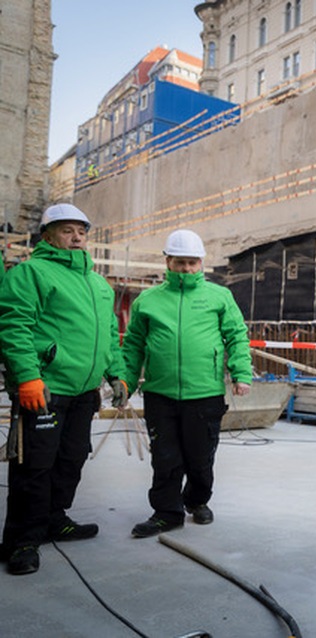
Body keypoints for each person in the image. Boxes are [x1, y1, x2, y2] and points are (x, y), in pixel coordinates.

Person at [0, 203, 128, 575]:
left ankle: (55, 518)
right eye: (67, 230)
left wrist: (116, 375)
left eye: (81, 231)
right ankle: (22, 540)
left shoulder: (98, 284)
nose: (76, 237)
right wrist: (26, 377)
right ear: (48, 235)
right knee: (34, 467)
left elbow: (109, 338)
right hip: (45, 388)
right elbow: (14, 327)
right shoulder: (31, 273)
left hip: (84, 392)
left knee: (71, 460)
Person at [122, 229, 253, 538]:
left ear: (202, 263)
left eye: (192, 263)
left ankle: (196, 501)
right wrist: (125, 383)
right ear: (167, 261)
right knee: (165, 456)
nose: (186, 269)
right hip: (160, 393)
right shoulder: (149, 300)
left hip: (204, 393)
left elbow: (236, 336)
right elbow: (133, 345)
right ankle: (166, 512)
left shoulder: (219, 297)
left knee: (200, 457)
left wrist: (241, 373)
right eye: (179, 262)